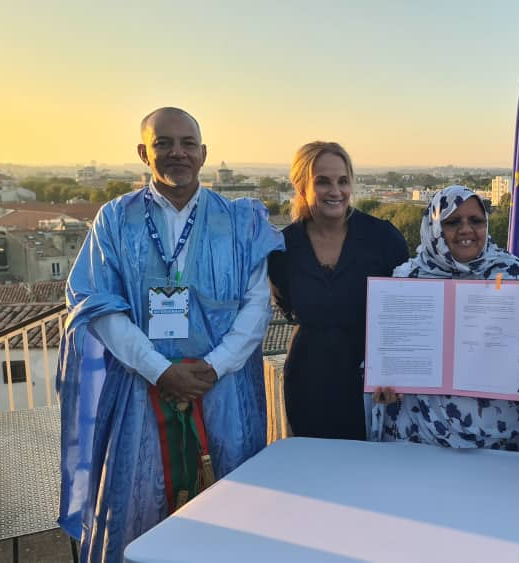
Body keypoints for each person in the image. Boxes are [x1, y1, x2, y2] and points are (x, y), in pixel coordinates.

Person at [57, 107, 284, 561]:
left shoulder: (241, 222)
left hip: (224, 392)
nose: (177, 152)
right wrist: (161, 371)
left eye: (187, 143)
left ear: (203, 154)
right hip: (141, 393)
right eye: (164, 143)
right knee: (136, 510)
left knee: (231, 511)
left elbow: (258, 304)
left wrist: (214, 367)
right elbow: (98, 305)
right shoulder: (114, 220)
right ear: (144, 152)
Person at [370, 185, 519, 455]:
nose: (466, 229)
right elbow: (387, 357)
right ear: (434, 227)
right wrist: (385, 384)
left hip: (504, 439)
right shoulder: (407, 279)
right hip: (423, 434)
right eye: (453, 222)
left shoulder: (514, 274)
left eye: (476, 221)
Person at [268, 141, 409, 440]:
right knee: (316, 471)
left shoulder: (383, 238)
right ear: (300, 185)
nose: (336, 191)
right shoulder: (283, 247)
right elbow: (287, 304)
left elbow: (406, 310)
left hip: (372, 381)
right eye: (323, 181)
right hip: (308, 379)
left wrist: (395, 370)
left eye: (343, 181)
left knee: (371, 474)